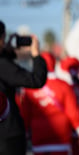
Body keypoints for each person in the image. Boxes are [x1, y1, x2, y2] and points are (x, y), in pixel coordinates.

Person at [19, 51, 79, 155]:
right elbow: (72, 111)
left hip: (39, 134)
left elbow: (25, 113)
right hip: (60, 135)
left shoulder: (30, 88)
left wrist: (25, 131)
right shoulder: (64, 85)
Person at [0, 20, 47, 155]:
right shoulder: (3, 65)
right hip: (8, 135)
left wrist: (8, 51)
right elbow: (36, 80)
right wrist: (36, 54)